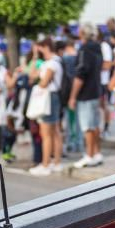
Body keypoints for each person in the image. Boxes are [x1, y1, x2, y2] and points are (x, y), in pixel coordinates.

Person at [69, 24, 106, 169]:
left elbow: (80, 74)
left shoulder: (84, 50)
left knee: (87, 127)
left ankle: (89, 156)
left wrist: (72, 96)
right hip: (96, 91)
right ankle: (96, 153)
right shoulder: (98, 48)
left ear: (83, 33)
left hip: (86, 94)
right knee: (94, 125)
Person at [30, 37, 65, 175]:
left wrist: (37, 86)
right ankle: (56, 162)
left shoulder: (52, 63)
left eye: (39, 48)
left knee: (46, 133)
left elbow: (43, 83)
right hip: (52, 97)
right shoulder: (51, 62)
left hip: (48, 98)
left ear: (45, 47)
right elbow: (32, 75)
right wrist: (35, 57)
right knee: (55, 131)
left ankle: (46, 164)